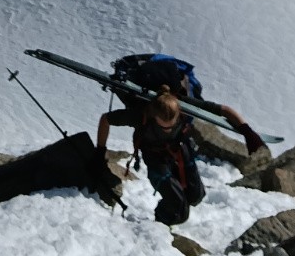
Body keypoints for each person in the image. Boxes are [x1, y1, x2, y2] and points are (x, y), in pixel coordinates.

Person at [96, 88, 260, 226]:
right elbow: (106, 119)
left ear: (178, 113)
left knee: (196, 196)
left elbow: (224, 110)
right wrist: (100, 150)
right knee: (179, 210)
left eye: (171, 126)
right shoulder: (141, 115)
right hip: (155, 158)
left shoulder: (184, 105)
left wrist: (247, 132)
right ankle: (160, 222)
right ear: (154, 117)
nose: (167, 130)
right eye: (163, 126)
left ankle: (172, 206)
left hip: (180, 150)